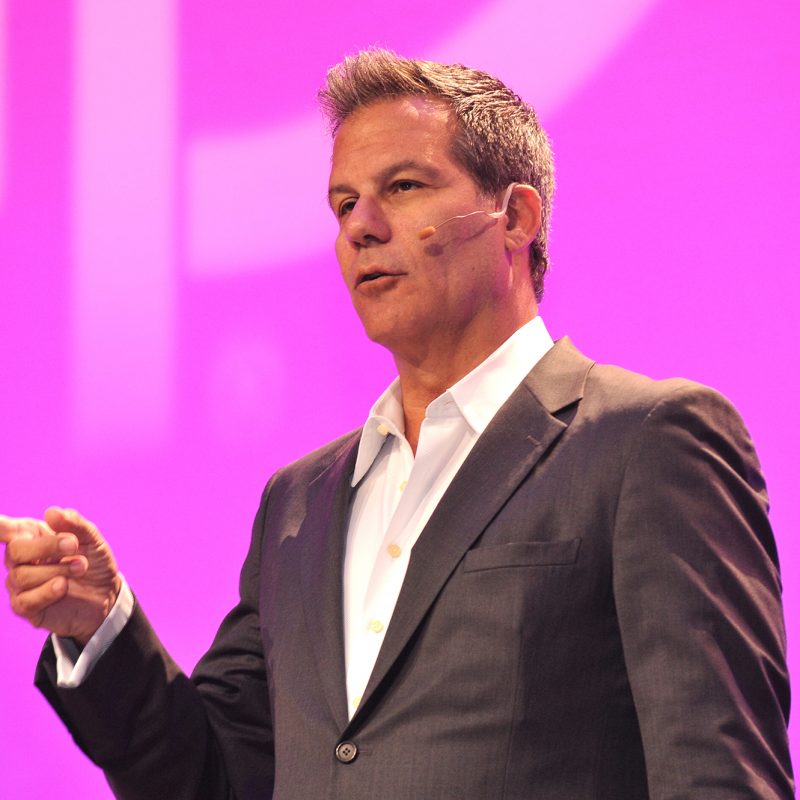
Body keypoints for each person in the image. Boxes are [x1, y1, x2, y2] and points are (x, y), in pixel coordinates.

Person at [0, 49, 793, 799]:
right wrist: (101, 629)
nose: (360, 226)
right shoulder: (298, 503)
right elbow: (219, 779)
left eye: (404, 186)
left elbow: (716, 777)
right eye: (344, 203)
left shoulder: (645, 441)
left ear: (515, 217)